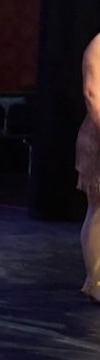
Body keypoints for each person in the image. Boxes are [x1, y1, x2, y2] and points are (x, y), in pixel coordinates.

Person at [77, 33, 100, 303]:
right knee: (97, 210)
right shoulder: (96, 46)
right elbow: (92, 95)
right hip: (97, 138)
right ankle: (95, 282)